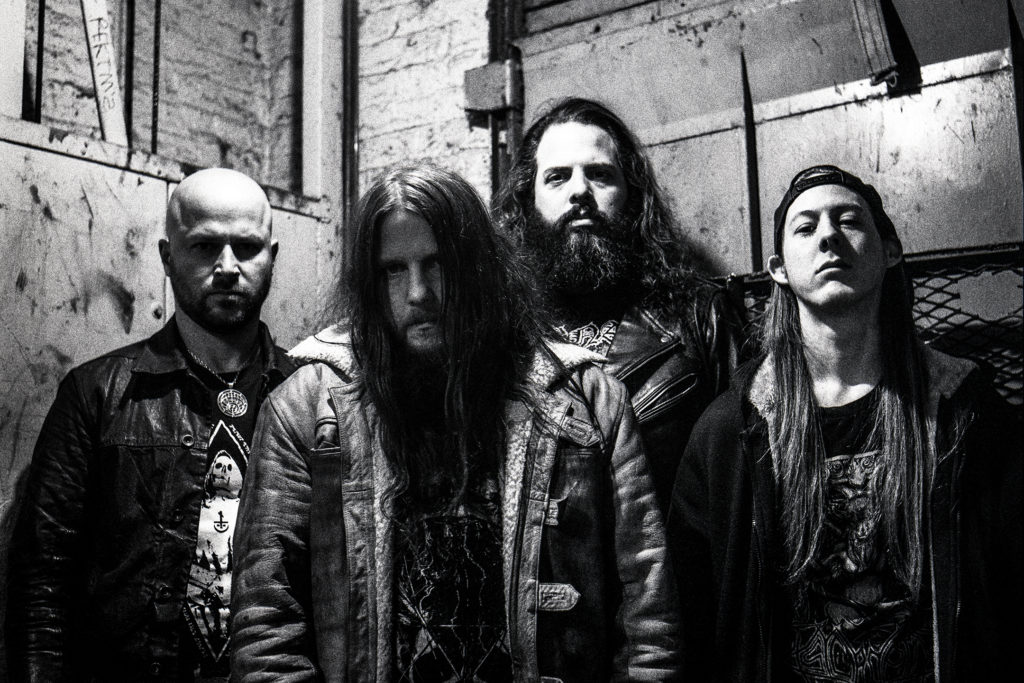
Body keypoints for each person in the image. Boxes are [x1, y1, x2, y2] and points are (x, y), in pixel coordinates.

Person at [231, 165, 680, 682]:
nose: (418, 292)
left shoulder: (588, 401)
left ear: (479, 266)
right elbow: (267, 628)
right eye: (393, 270)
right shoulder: (305, 409)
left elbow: (649, 623)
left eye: (438, 264)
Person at [667, 165, 1022, 681]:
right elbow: (691, 605)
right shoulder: (732, 430)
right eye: (806, 227)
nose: (829, 236)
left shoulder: (963, 408)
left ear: (891, 250)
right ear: (778, 269)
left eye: (849, 221)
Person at [6, 168, 297, 682]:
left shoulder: (307, 396)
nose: (227, 267)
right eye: (205, 246)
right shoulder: (98, 393)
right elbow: (42, 578)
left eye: (247, 247)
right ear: (167, 257)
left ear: (271, 256)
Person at [494, 97, 741, 512]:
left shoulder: (698, 317)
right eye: (557, 177)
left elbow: (743, 479)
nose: (579, 191)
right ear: (527, 201)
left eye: (599, 174)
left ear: (632, 195)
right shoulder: (501, 329)